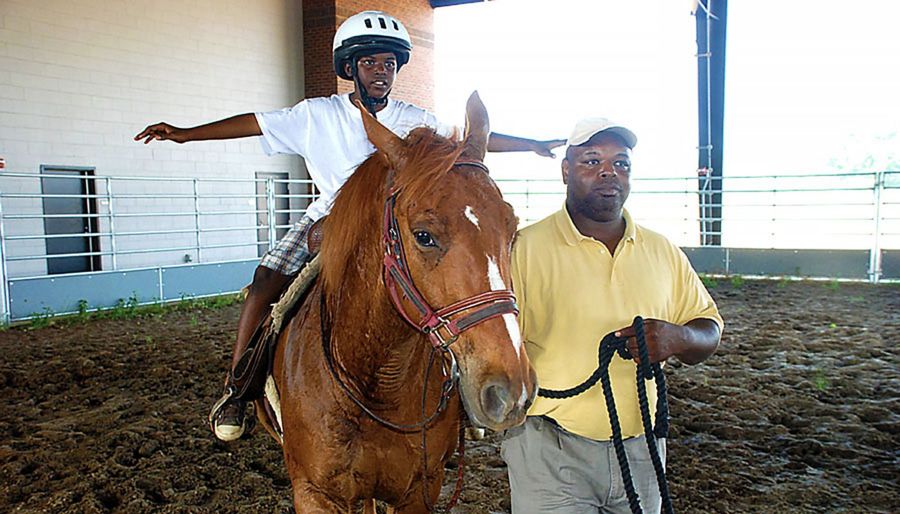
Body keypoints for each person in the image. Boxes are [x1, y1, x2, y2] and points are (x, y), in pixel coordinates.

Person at [134, 10, 564, 442]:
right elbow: (255, 122)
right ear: (350, 67)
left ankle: (458, 393)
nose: (382, 72)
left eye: (390, 65)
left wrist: (531, 144)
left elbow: (475, 140)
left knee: (436, 294)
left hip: (395, 224)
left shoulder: (415, 117)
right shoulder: (316, 115)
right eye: (371, 63)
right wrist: (187, 134)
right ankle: (238, 386)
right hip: (328, 217)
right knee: (265, 281)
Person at [504, 117, 723, 513]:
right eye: (591, 161)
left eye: (621, 163)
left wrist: (679, 339)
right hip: (549, 451)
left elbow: (708, 326)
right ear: (565, 170)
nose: (609, 172)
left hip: (643, 448)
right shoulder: (521, 250)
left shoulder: (662, 251)